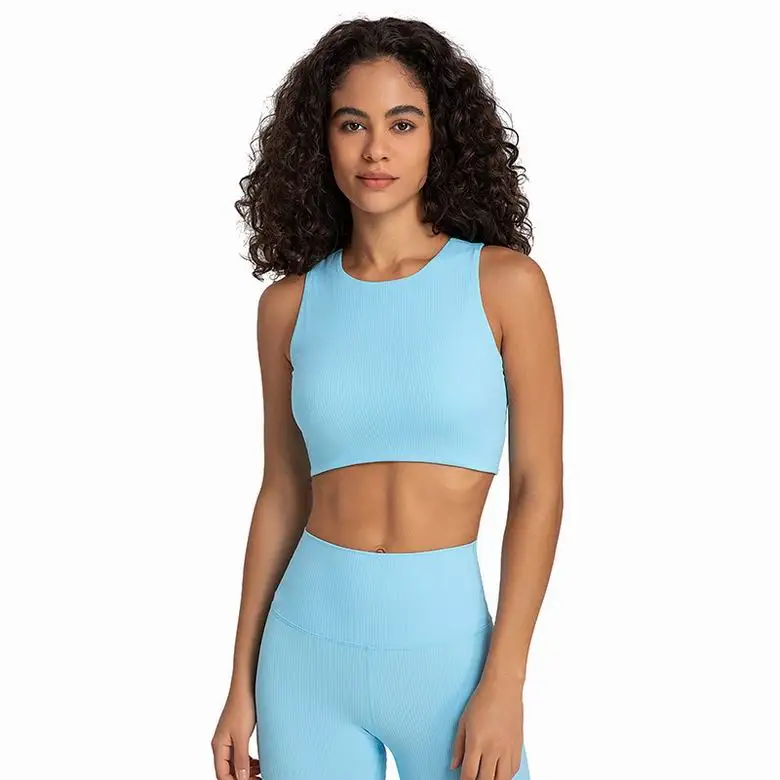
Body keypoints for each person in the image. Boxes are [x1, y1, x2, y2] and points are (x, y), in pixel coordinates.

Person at [212, 15, 563, 780]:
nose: (376, 149)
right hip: (304, 657)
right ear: (322, 141)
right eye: (352, 124)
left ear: (441, 137)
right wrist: (240, 685)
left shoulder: (505, 284)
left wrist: (506, 681)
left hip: (450, 661)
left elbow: (538, 489)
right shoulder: (289, 306)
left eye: (402, 123)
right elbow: (282, 491)